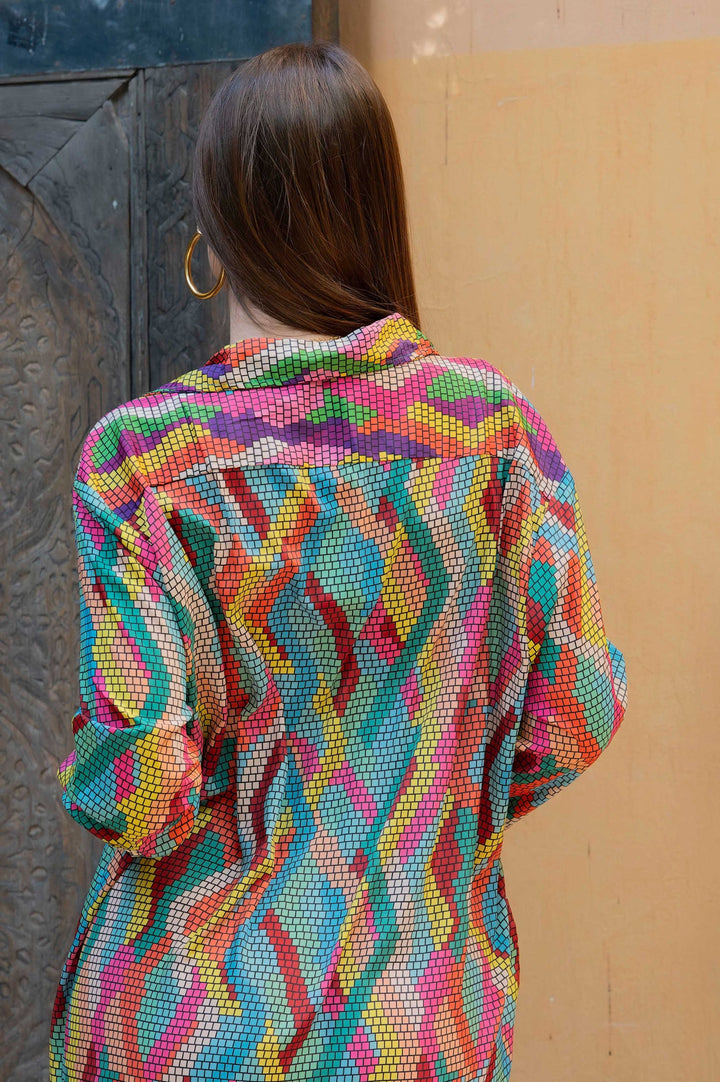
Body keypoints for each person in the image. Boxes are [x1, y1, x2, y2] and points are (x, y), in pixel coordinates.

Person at [49, 40, 627, 1082]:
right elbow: (575, 711)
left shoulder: (145, 458)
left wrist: (84, 766)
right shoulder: (495, 435)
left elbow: (141, 788)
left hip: (187, 1027)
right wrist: (429, 802)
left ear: (212, 233)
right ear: (377, 213)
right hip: (421, 1016)